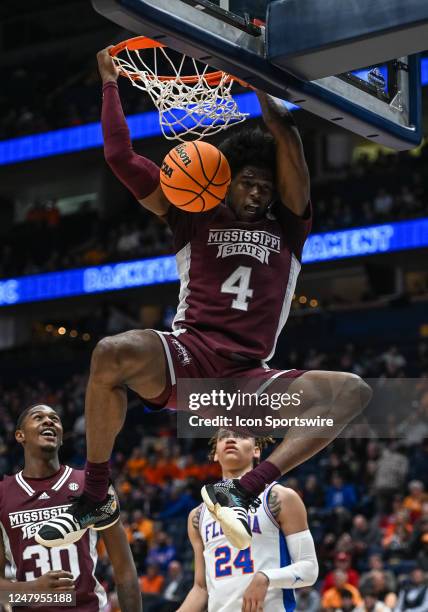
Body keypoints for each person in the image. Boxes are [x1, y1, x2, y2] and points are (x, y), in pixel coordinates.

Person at [36, 46, 372, 551]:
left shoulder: (291, 225)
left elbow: (289, 137)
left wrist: (258, 75)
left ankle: (244, 489)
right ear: (225, 180)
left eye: (266, 185)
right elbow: (120, 158)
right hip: (188, 355)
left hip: (246, 379)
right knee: (110, 352)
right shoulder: (192, 213)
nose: (260, 193)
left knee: (354, 392)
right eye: (250, 182)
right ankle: (97, 491)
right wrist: (109, 83)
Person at [0, 404, 142, 612]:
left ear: (61, 437)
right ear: (20, 435)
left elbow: (125, 570)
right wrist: (31, 590)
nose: (49, 421)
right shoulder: (3, 493)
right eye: (38, 417)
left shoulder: (91, 485)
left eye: (55, 419)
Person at [177, 428, 318, 611]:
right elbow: (201, 588)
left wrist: (266, 577)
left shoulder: (279, 497)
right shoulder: (198, 515)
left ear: (256, 450)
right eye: (224, 437)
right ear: (215, 455)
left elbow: (309, 569)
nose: (231, 440)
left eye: (241, 435)